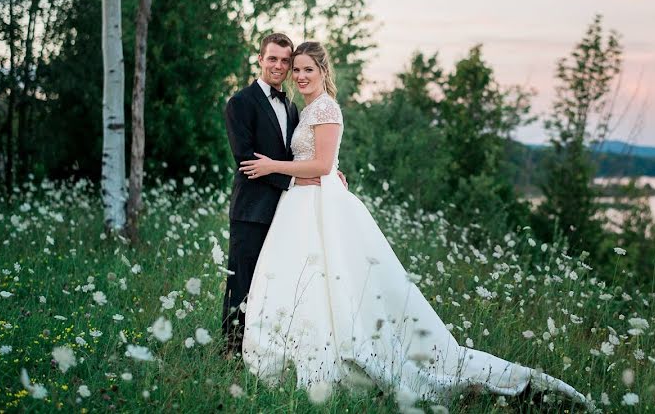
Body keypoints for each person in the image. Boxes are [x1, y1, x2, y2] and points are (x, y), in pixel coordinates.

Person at [239, 41, 588, 406]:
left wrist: (275, 167)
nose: (300, 75)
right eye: (297, 69)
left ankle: (340, 354)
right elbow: (319, 161)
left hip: (320, 204)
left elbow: (323, 165)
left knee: (330, 279)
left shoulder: (325, 107)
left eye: (308, 68)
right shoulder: (305, 109)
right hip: (302, 204)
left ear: (324, 71)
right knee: (307, 282)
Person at [221, 33, 345, 357]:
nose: (279, 66)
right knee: (243, 282)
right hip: (252, 208)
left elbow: (308, 154)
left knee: (275, 283)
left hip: (288, 209)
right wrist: (306, 175)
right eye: (272, 58)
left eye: (284, 61)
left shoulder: (293, 107)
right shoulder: (240, 103)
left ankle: (272, 346)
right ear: (260, 59)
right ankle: (232, 351)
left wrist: (328, 173)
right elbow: (248, 162)